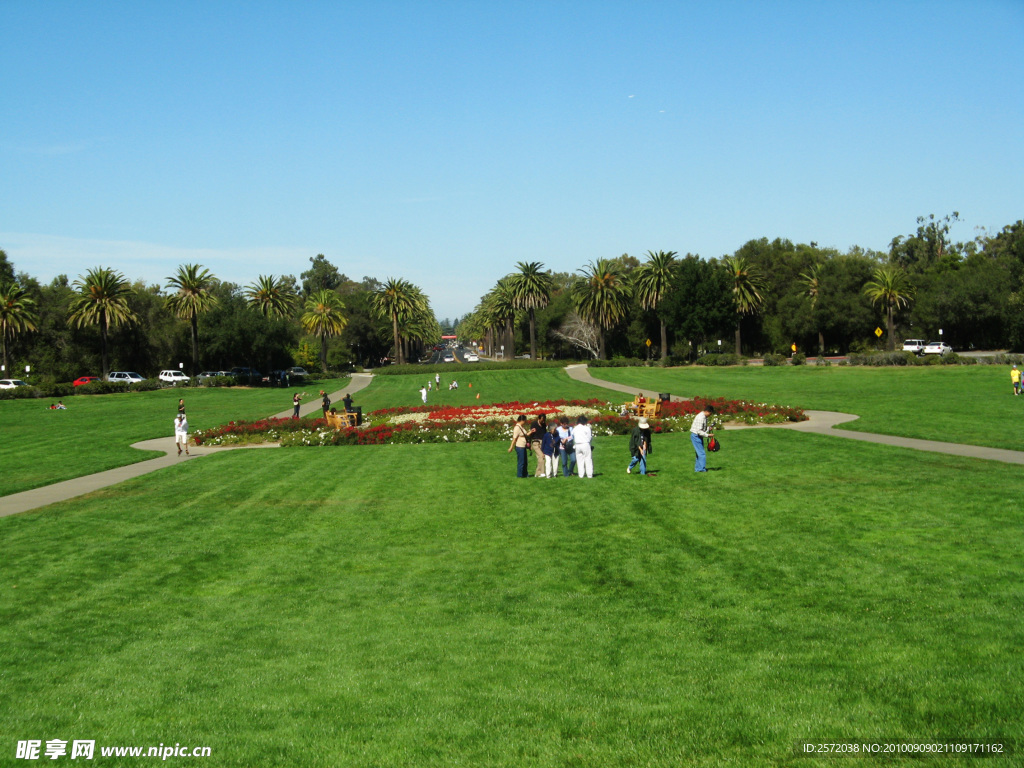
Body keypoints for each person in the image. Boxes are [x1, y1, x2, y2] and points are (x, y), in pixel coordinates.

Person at [690, 404, 715, 473]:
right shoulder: (701, 417)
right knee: (702, 453)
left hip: (698, 435)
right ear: (707, 411)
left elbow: (702, 429)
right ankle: (701, 469)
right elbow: (698, 431)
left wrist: (708, 428)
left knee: (699, 453)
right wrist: (707, 435)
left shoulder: (703, 416)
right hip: (696, 436)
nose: (710, 415)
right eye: (710, 413)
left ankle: (698, 468)